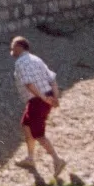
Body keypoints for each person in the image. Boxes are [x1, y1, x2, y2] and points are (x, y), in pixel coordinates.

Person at [10, 35, 65, 178]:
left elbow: (28, 84)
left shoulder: (21, 62)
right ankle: (30, 158)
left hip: (37, 100)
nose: (11, 49)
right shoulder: (37, 59)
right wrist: (55, 97)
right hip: (42, 98)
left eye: (13, 46)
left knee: (38, 133)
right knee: (26, 124)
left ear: (19, 47)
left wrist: (43, 98)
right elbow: (52, 79)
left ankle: (57, 160)